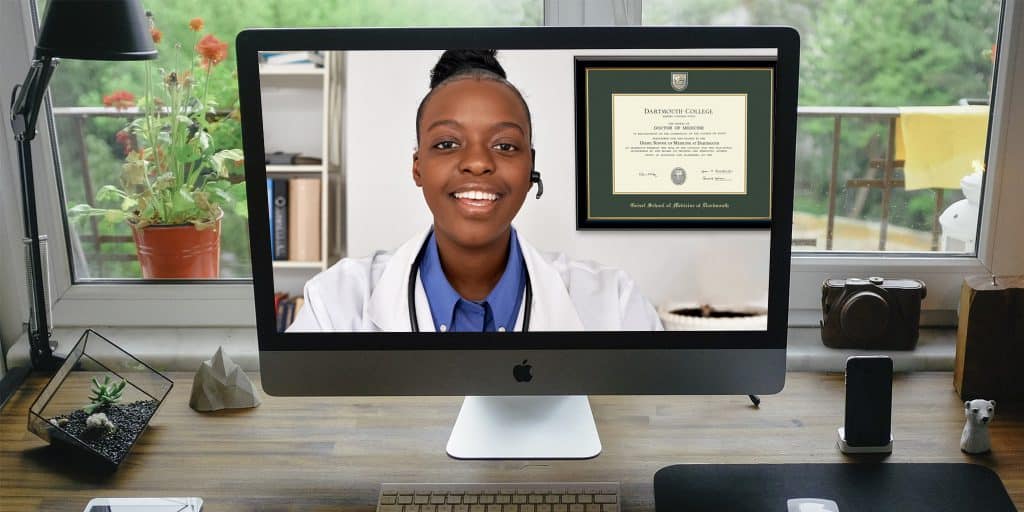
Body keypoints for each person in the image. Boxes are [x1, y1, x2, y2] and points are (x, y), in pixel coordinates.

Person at [289, 49, 662, 332]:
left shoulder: (615, 303)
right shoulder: (335, 304)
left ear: (530, 166)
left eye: (504, 146)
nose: (478, 163)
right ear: (418, 167)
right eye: (448, 144)